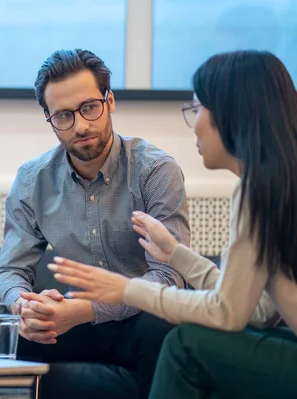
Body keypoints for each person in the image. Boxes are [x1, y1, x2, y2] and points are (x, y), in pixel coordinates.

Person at [48, 50, 293, 398]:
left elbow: (228, 312)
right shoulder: (278, 182)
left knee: (185, 343)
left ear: (231, 112)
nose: (193, 123)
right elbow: (259, 310)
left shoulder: (259, 191)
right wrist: (175, 254)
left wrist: (126, 289)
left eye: (197, 109)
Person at [0, 48, 192, 398]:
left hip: (139, 321)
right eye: (64, 116)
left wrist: (85, 311)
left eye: (89, 108)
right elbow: (9, 271)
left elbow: (169, 278)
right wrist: (24, 305)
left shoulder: (155, 170)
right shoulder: (32, 179)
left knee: (164, 327)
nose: (81, 126)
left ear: (109, 101)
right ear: (49, 119)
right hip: (71, 324)